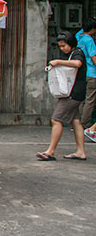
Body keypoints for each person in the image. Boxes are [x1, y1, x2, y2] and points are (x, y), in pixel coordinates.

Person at [36, 32, 88, 161]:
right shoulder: (71, 53)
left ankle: (50, 151)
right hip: (76, 93)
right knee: (75, 121)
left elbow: (78, 64)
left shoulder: (77, 53)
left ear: (71, 44)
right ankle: (81, 151)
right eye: (60, 46)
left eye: (64, 46)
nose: (62, 48)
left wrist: (58, 62)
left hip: (73, 93)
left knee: (56, 119)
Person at [76, 18, 96, 142]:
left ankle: (80, 123)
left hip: (83, 73)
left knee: (84, 99)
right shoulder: (89, 40)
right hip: (92, 73)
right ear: (93, 30)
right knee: (90, 100)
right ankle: (85, 125)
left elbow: (80, 31)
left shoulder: (80, 38)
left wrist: (90, 22)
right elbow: (94, 57)